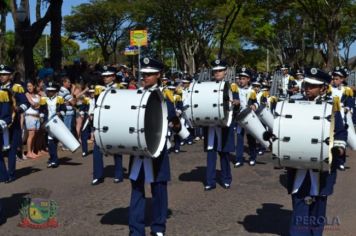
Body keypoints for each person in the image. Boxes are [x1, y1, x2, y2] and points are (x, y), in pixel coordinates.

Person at [286, 68, 347, 236]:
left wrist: (339, 148)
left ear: (323, 88)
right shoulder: (294, 102)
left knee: (318, 210)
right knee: (299, 203)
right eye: (307, 84)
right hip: (299, 166)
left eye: (313, 86)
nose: (308, 88)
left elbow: (340, 132)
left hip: (322, 169)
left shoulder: (332, 106)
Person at [128, 57, 171, 236]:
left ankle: (158, 227)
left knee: (159, 189)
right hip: (138, 150)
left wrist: (176, 124)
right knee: (137, 189)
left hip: (157, 150)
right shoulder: (135, 95)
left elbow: (173, 120)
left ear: (158, 75)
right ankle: (136, 230)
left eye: (149, 74)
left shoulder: (164, 96)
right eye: (143, 74)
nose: (145, 77)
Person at [203, 59, 239, 191]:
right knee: (211, 154)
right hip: (211, 125)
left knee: (224, 154)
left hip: (225, 124)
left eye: (220, 70)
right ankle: (210, 181)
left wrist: (236, 103)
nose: (217, 73)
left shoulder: (232, 87)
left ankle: (226, 179)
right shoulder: (207, 87)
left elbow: (237, 104)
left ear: (225, 72)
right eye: (215, 71)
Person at [91, 66, 123, 185]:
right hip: (101, 121)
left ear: (113, 77)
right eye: (104, 76)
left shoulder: (120, 88)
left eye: (108, 76)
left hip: (115, 121)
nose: (105, 78)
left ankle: (118, 174)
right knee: (97, 148)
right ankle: (97, 175)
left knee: (116, 148)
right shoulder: (99, 89)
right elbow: (96, 105)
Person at [0, 64, 29, 183]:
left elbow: (25, 103)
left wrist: (18, 109)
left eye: (4, 74)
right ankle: (3, 175)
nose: (2, 77)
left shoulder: (16, 88)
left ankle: (11, 174)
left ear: (10, 76)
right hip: (0, 123)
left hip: (12, 123)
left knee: (11, 150)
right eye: (0, 75)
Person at [329, 66, 353, 171]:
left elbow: (350, 103)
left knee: (341, 139)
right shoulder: (329, 89)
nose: (334, 80)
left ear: (342, 79)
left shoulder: (346, 90)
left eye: (337, 78)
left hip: (342, 115)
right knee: (330, 138)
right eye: (333, 78)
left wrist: (346, 109)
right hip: (330, 115)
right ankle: (330, 159)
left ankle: (341, 161)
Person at [235, 68, 259, 167]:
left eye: (244, 78)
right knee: (239, 139)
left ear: (248, 79)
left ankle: (253, 157)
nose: (241, 80)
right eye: (240, 78)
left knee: (251, 139)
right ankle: (239, 159)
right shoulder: (235, 89)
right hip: (240, 118)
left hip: (250, 118)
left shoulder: (252, 91)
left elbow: (256, 103)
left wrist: (254, 106)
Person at [39, 82, 66, 168]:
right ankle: (53, 159)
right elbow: (41, 110)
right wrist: (41, 118)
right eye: (48, 91)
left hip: (56, 122)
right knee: (49, 141)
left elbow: (64, 110)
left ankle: (54, 160)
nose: (50, 92)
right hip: (47, 122)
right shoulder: (44, 99)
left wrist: (59, 113)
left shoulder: (59, 99)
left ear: (55, 92)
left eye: (52, 91)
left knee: (52, 141)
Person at [24, 80, 41, 159]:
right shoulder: (27, 94)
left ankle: (33, 151)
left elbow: (40, 105)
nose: (29, 88)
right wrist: (36, 104)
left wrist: (37, 104)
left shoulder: (37, 95)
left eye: (30, 86)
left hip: (37, 116)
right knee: (31, 134)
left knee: (35, 135)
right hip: (30, 116)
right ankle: (28, 152)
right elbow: (33, 104)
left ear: (34, 86)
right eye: (28, 86)